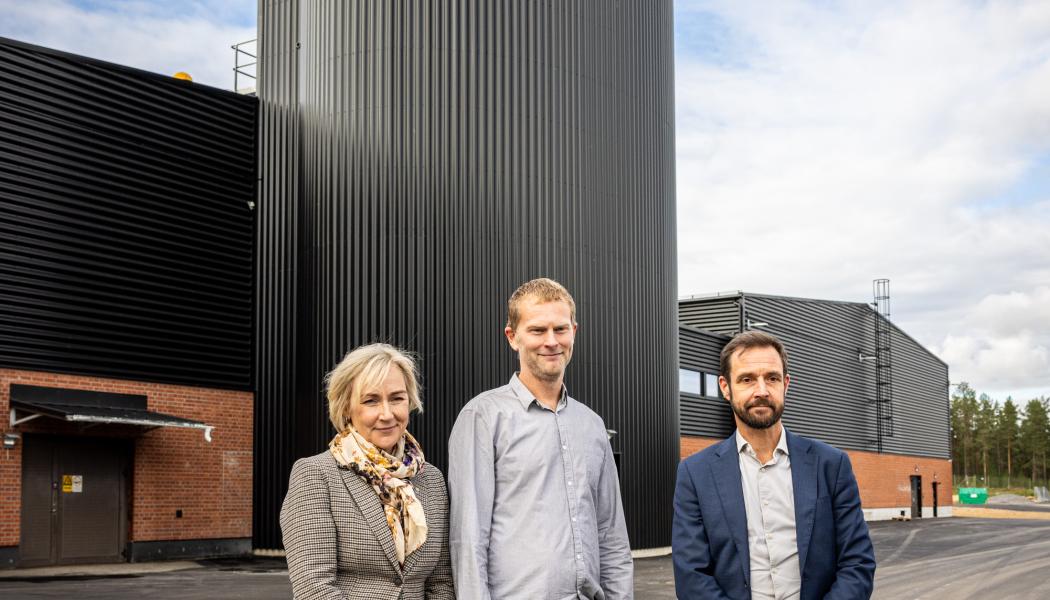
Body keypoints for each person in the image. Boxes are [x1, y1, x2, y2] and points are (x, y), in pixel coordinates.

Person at [448, 277, 634, 599]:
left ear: (574, 332)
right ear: (512, 337)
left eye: (560, 329)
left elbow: (611, 535)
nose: (551, 341)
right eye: (537, 330)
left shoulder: (591, 425)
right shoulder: (482, 417)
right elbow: (468, 538)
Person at [672, 331, 875, 600]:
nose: (762, 391)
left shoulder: (831, 465)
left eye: (772, 378)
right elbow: (692, 575)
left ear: (786, 384)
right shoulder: (695, 474)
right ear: (725, 387)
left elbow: (857, 564)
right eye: (747, 379)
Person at [281, 343, 454, 599]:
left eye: (396, 398)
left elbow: (440, 582)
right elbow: (314, 589)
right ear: (346, 408)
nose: (387, 414)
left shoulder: (431, 479)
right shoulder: (316, 475)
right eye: (371, 401)